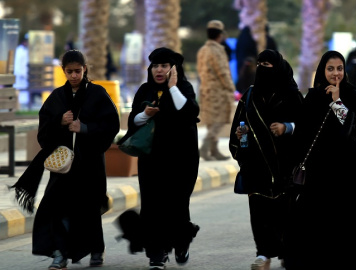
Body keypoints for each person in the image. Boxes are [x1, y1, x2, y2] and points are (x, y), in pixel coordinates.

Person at [8, 49, 120, 269]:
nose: (74, 76)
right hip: (63, 167)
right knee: (56, 208)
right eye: (69, 72)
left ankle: (96, 249)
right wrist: (59, 122)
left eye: (78, 71)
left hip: (90, 164)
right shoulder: (57, 97)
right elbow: (43, 131)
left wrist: (85, 128)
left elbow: (111, 125)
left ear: (85, 69)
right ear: (64, 72)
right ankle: (59, 254)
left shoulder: (98, 94)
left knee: (89, 208)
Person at [117, 47, 200, 270]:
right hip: (152, 160)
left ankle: (181, 243)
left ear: (174, 69)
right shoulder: (145, 90)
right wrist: (146, 114)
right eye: (155, 66)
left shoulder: (183, 88)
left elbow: (190, 111)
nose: (159, 70)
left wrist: (172, 88)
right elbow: (133, 121)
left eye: (164, 66)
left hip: (181, 160)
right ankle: (157, 253)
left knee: (177, 204)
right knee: (152, 205)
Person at [283, 50, 356, 269]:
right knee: (311, 225)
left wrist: (337, 101)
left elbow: (352, 131)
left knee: (343, 225)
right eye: (330, 68)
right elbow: (302, 134)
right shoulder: (313, 97)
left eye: (340, 68)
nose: (336, 73)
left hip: (345, 173)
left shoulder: (354, 97)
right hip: (318, 173)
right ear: (323, 70)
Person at [229, 49, 304, 270]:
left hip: (285, 165)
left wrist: (287, 127)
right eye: (260, 63)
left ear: (278, 67)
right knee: (259, 211)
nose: (262, 68)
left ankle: (287, 252)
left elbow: (307, 126)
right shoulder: (250, 95)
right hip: (256, 164)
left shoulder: (291, 95)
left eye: (268, 64)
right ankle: (263, 254)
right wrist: (241, 139)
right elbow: (239, 126)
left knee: (285, 212)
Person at [197, 19, 236, 161]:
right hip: (218, 92)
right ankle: (205, 147)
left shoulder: (203, 50)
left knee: (211, 122)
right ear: (220, 35)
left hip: (205, 90)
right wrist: (231, 88)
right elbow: (223, 72)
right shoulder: (217, 50)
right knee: (219, 121)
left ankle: (214, 151)